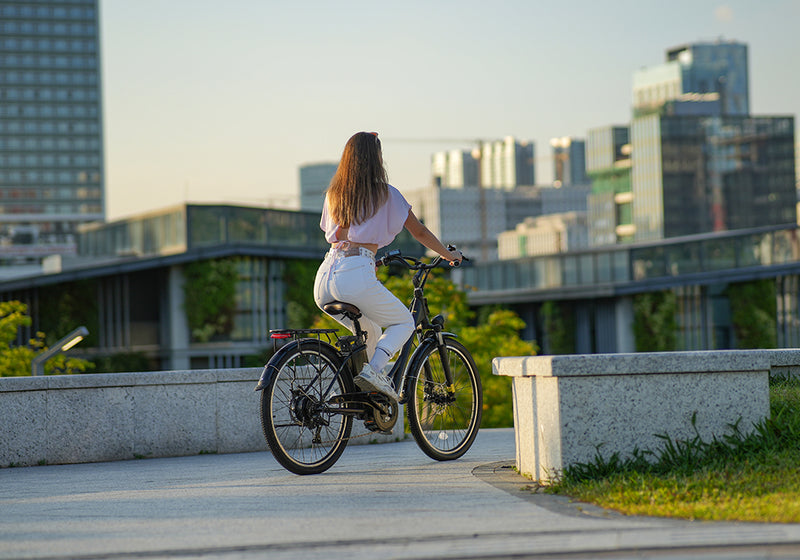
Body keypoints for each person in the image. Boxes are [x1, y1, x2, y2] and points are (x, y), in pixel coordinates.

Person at [314, 131, 462, 401]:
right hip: (355, 272)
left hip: (325, 276)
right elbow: (419, 232)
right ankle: (374, 372)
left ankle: (360, 393)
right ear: (376, 159)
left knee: (370, 332)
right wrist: (449, 255)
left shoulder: (334, 193)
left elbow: (339, 234)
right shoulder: (386, 194)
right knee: (404, 322)